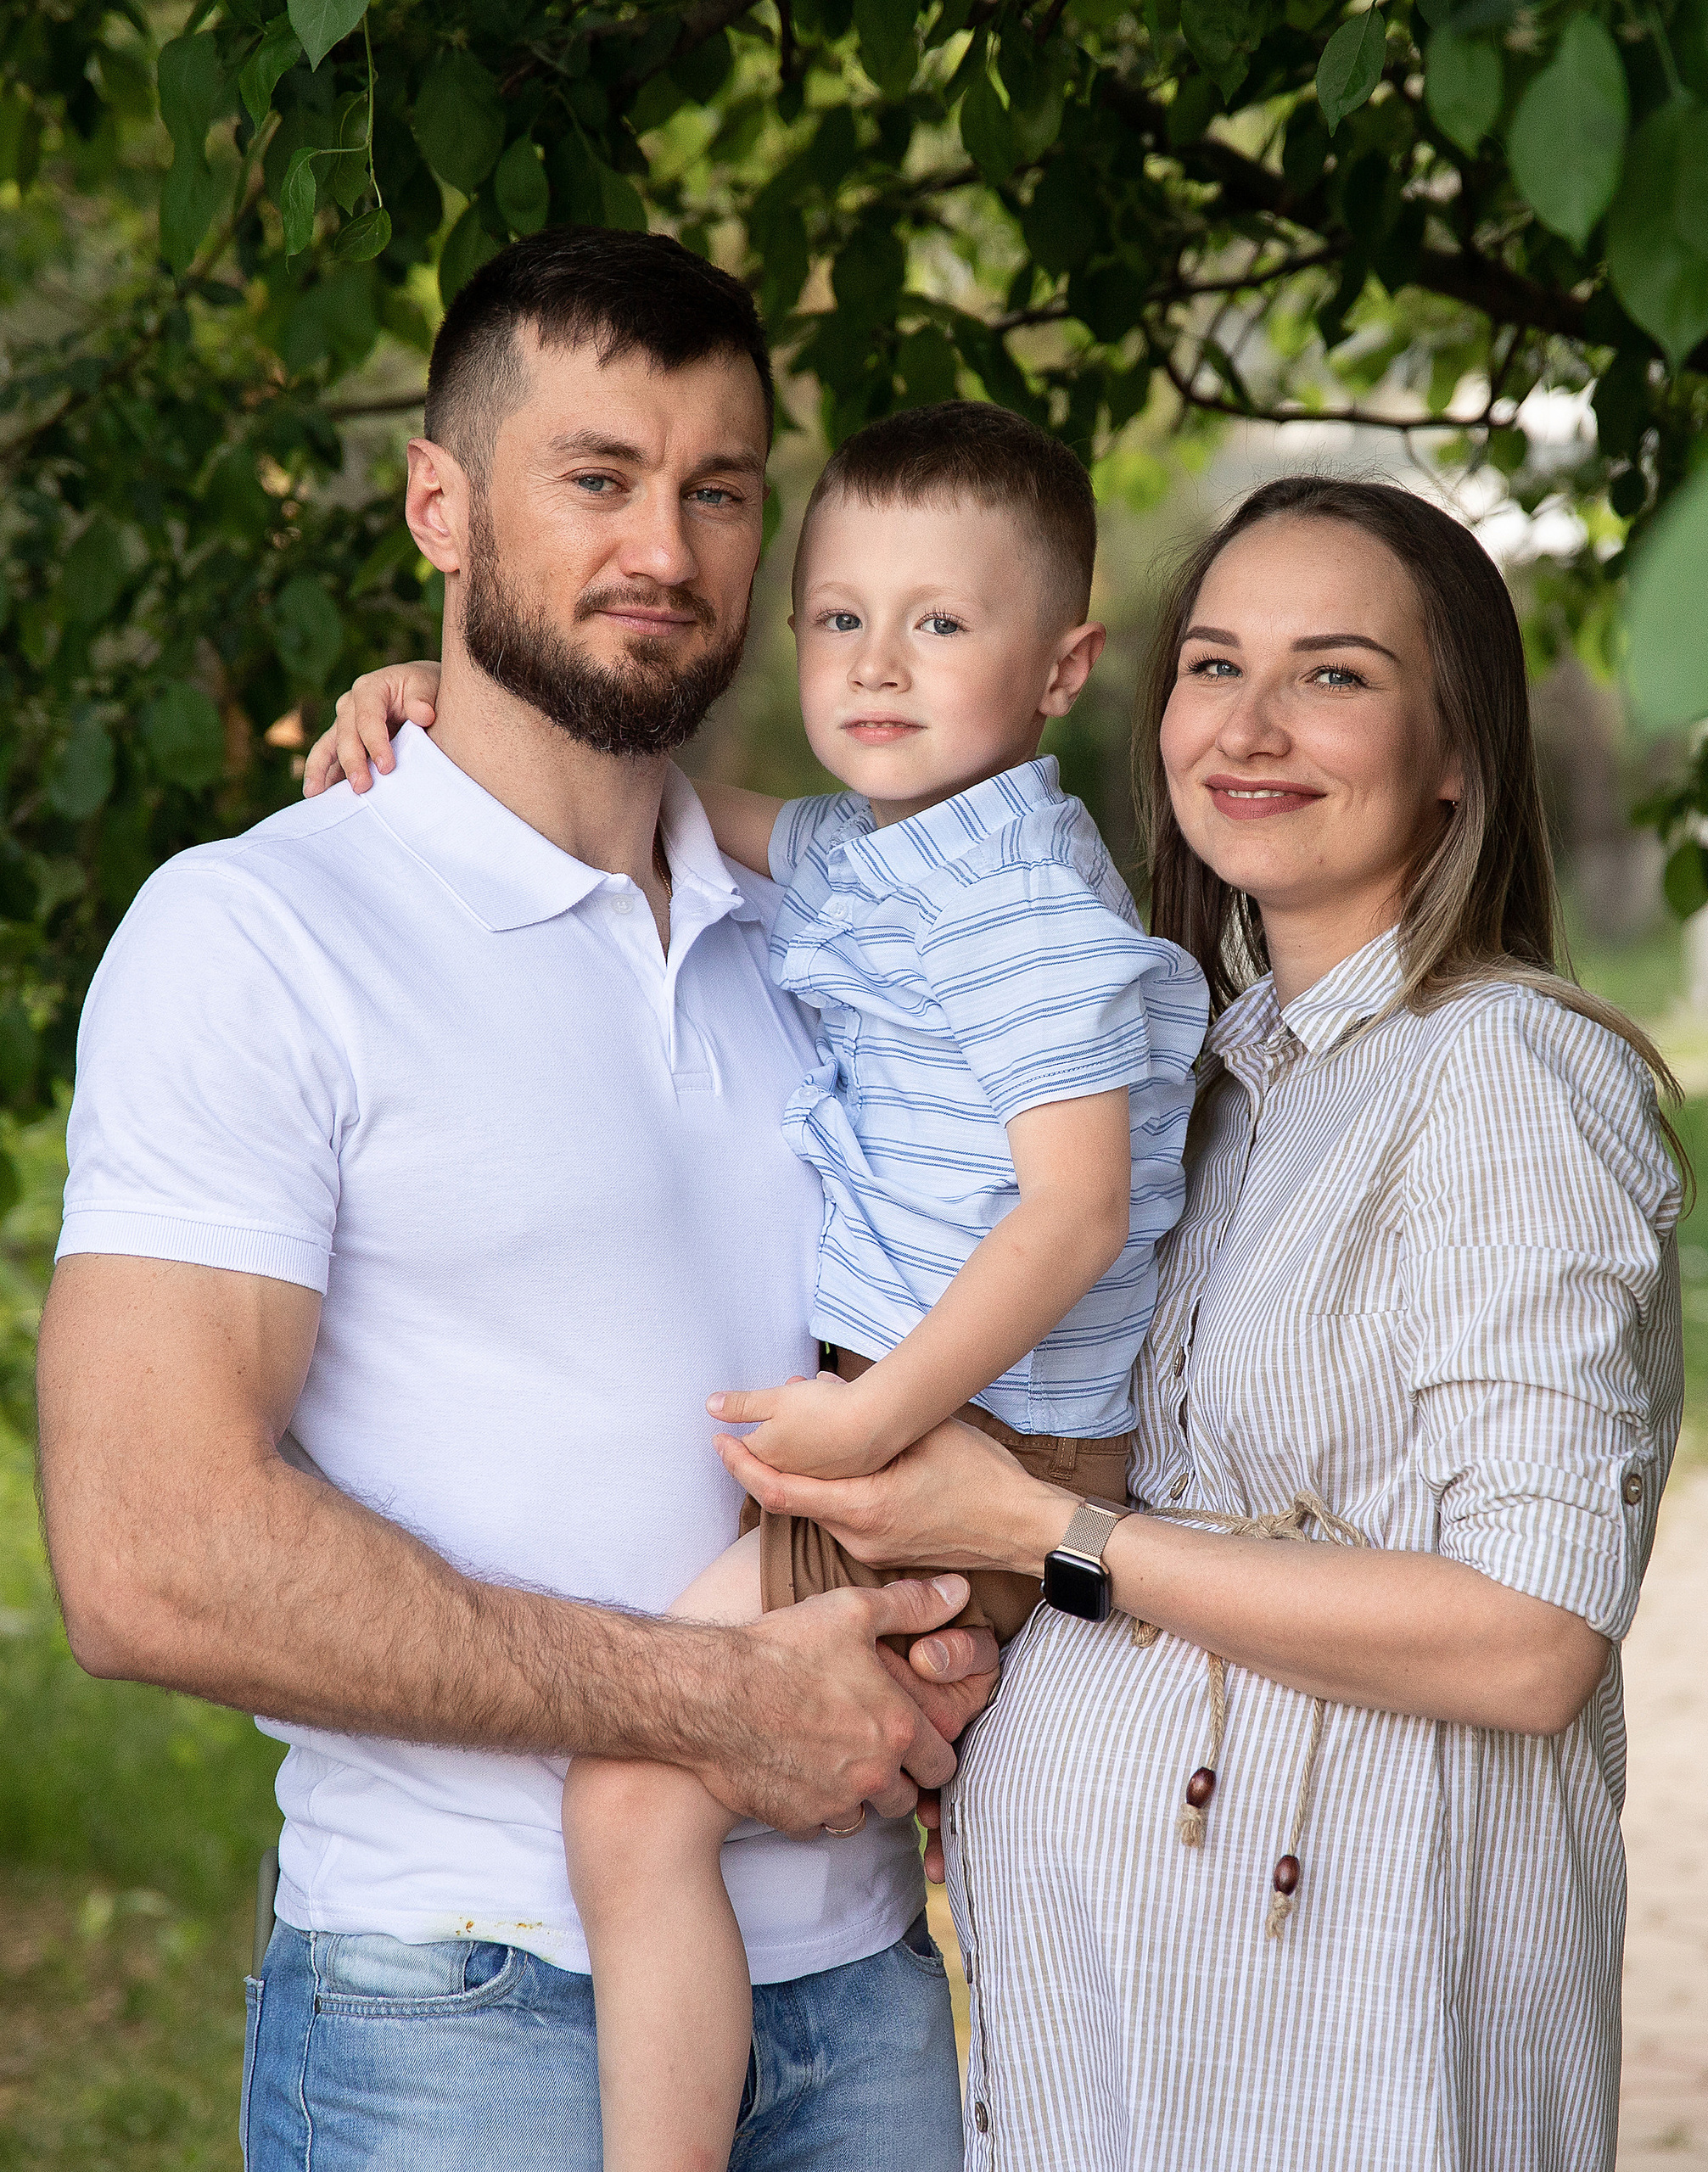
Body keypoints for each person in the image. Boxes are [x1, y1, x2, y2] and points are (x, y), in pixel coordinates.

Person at [34, 227, 998, 2172]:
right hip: (464, 2009)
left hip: (865, 1988)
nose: (667, 543)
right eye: (599, 477)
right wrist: (711, 1705)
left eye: (717, 490)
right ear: (438, 503)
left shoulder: (840, 933)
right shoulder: (263, 934)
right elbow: (146, 1551)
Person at [714, 475, 1688, 2171]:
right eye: (1213, 664)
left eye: (1333, 674)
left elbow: (1525, 1637)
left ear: (1454, 748)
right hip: (1127, 2027)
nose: (1249, 724)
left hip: (1348, 2043)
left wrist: (1040, 1532)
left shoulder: (1503, 1080)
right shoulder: (1229, 1069)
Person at [310, 401, 1209, 2171]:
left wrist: (875, 1420)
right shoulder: (890, 850)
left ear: (1059, 665)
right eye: (836, 619)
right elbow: (675, 809)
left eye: (939, 624)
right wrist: (429, 703)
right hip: (920, 1415)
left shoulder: (1020, 894)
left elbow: (1074, 1214)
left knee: (637, 1799)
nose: (876, 664)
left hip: (968, 1429)